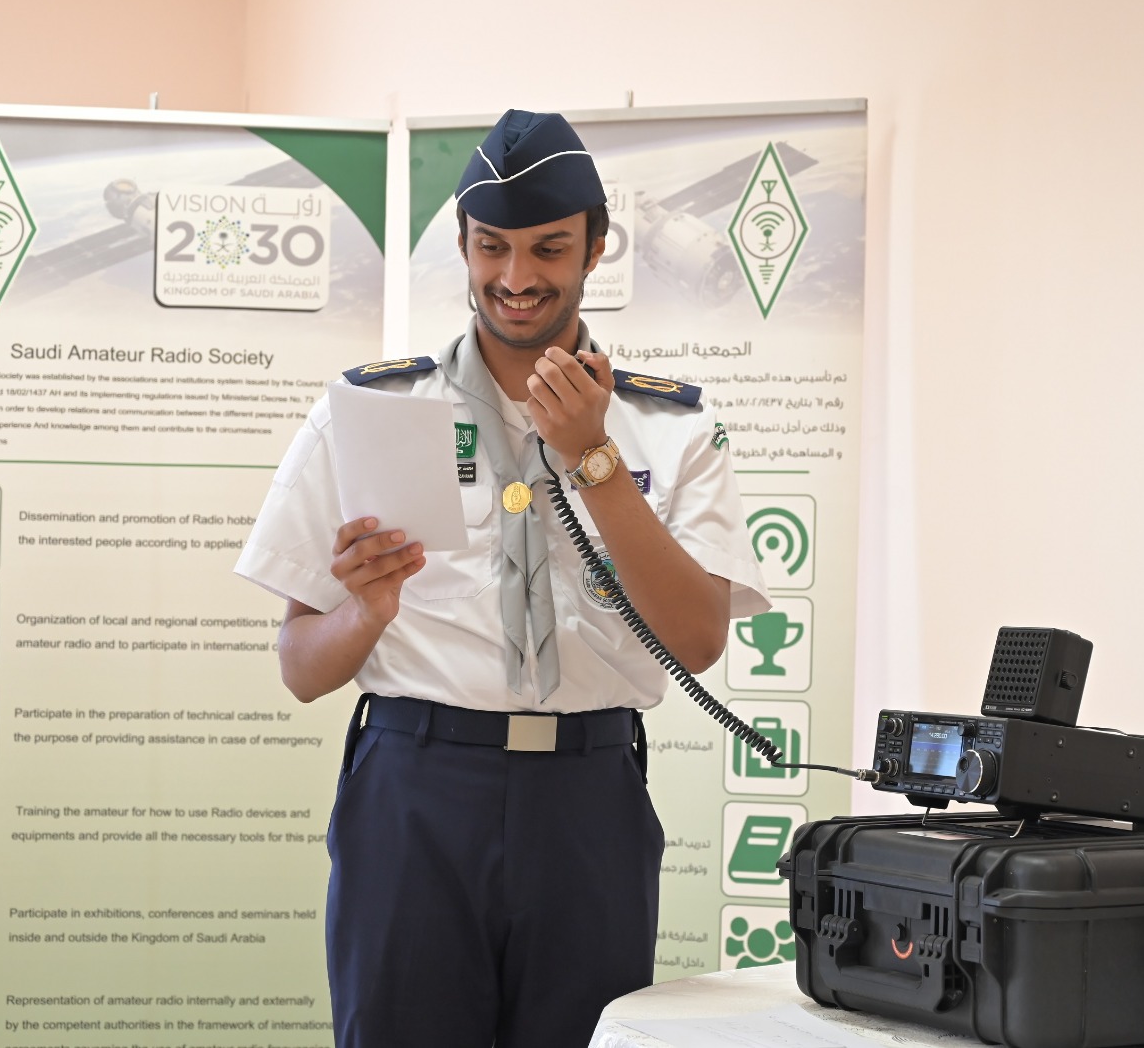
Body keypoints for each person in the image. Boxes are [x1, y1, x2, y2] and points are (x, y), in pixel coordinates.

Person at [235, 109, 770, 1047]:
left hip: (588, 800)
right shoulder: (369, 412)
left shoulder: (671, 428)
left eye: (549, 249)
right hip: (413, 789)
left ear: (596, 247)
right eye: (493, 248)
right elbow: (300, 667)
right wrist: (366, 612)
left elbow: (698, 642)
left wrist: (594, 461)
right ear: (463, 244)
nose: (517, 279)